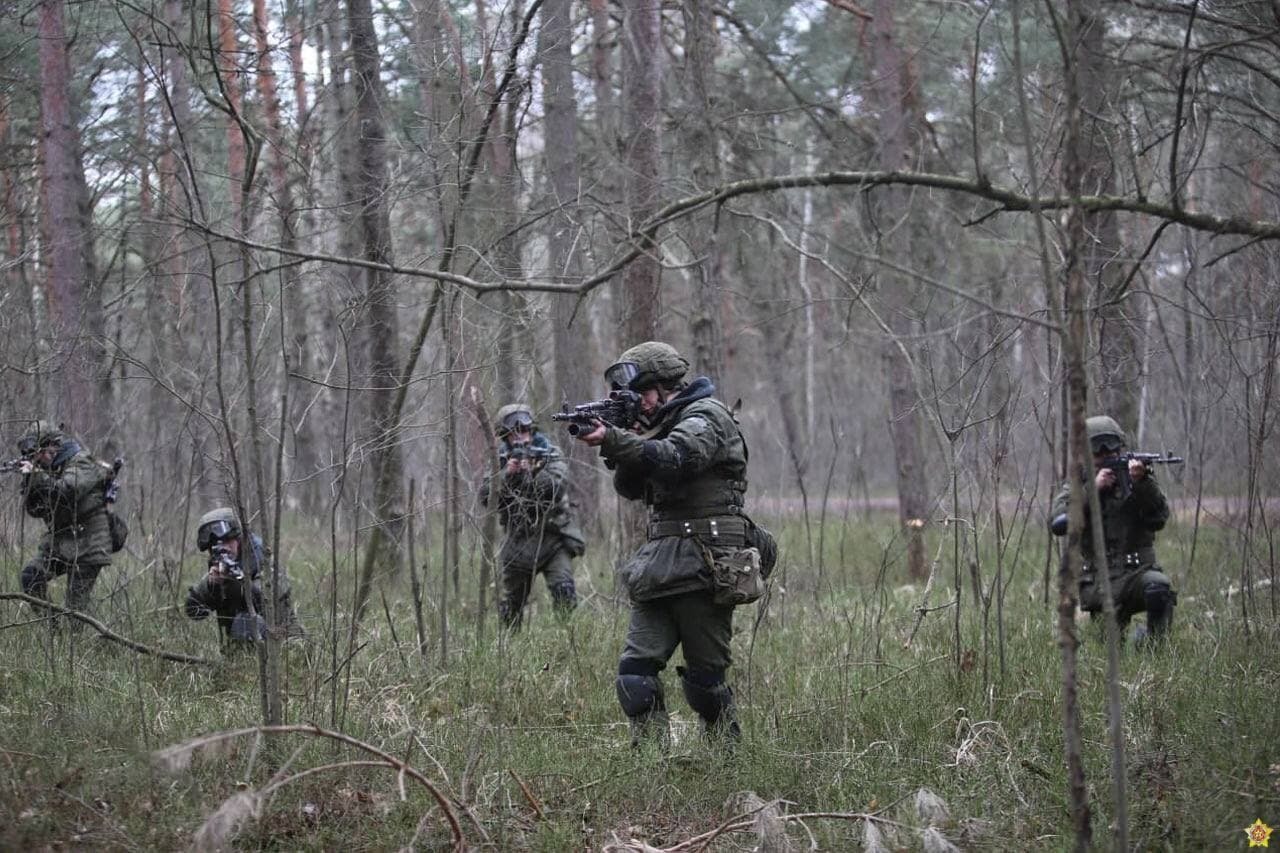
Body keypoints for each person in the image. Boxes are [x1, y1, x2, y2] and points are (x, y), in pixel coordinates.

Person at [574, 341, 774, 748]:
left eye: (643, 395)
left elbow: (678, 458)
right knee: (635, 678)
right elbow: (631, 487)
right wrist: (624, 441)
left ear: (666, 386)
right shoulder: (657, 428)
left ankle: (727, 759)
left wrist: (619, 440)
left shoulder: (707, 416)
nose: (642, 405)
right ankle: (651, 768)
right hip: (659, 566)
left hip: (707, 564)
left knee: (705, 683)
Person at [1049, 415, 1175, 645]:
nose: (1105, 457)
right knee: (1110, 651)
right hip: (1099, 584)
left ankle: (1153, 647)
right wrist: (1093, 490)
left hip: (1137, 573)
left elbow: (1159, 519)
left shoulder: (1139, 480)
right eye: (1097, 453)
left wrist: (1142, 484)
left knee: (1159, 588)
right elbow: (1059, 523)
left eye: (1111, 451)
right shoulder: (1077, 486)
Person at [481, 403, 585, 629]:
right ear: (505, 436)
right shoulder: (498, 460)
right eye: (514, 433)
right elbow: (485, 497)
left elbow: (558, 485)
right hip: (517, 541)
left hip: (553, 537)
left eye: (525, 431)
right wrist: (508, 475)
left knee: (564, 592)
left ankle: (568, 642)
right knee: (511, 607)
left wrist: (533, 473)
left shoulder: (548, 452)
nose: (521, 438)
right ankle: (511, 649)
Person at [16, 420, 116, 614]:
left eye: (39, 453)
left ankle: (72, 638)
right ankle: (52, 630)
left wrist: (37, 476)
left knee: (74, 613)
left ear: (53, 446)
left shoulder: (82, 462)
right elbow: (36, 510)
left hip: (89, 543)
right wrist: (30, 482)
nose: (38, 459)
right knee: (31, 577)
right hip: (61, 541)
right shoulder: (47, 470)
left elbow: (66, 491)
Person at [184, 507, 298, 648]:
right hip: (243, 655)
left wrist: (238, 585)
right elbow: (193, 611)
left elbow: (268, 608)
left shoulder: (265, 564)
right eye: (214, 547)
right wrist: (212, 586)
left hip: (288, 649)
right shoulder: (220, 571)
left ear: (240, 539)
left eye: (227, 542)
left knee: (246, 622)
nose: (223, 549)